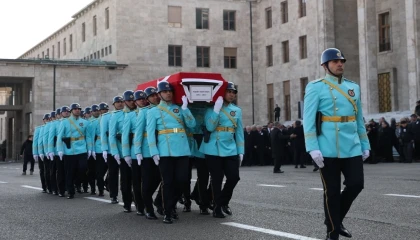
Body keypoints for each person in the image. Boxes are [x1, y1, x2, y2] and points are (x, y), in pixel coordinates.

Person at [303, 48, 370, 240]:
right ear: (325, 66)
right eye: (334, 62)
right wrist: (312, 147)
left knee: (356, 184)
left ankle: (335, 219)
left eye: (341, 61)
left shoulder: (353, 87)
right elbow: (308, 120)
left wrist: (365, 143)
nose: (340, 64)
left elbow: (358, 119)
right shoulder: (316, 87)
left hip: (352, 145)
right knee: (331, 191)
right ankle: (332, 231)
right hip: (327, 147)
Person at [147, 81, 196, 224]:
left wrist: (186, 108)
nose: (168, 93)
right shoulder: (153, 111)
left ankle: (167, 204)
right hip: (165, 150)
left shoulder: (179, 108)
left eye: (170, 91)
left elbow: (192, 125)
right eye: (165, 91)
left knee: (182, 181)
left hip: (182, 148)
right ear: (159, 94)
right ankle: (168, 211)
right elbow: (150, 133)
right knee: (168, 182)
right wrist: (153, 151)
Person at [200, 82, 244, 219]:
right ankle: (217, 208)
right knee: (217, 179)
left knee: (234, 177)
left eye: (234, 92)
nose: (231, 94)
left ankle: (222, 202)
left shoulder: (237, 110)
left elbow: (239, 132)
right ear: (222, 93)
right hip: (213, 148)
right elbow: (210, 127)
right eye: (229, 92)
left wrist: (241, 150)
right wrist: (216, 111)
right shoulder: (210, 109)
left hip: (230, 148)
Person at [136, 87, 162, 219]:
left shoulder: (163, 109)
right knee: (146, 181)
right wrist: (137, 151)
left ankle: (156, 200)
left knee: (159, 178)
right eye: (152, 96)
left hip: (162, 150)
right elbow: (139, 133)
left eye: (156, 95)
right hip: (147, 152)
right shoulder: (144, 112)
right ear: (147, 99)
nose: (155, 98)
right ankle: (148, 208)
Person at [57, 103, 92, 199]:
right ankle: (70, 191)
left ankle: (77, 183)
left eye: (79, 109)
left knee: (83, 168)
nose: (77, 110)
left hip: (82, 149)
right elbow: (60, 136)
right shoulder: (64, 122)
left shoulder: (85, 122)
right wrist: (60, 149)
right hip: (69, 150)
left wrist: (90, 149)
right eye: (75, 109)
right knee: (70, 172)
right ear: (71, 111)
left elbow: (88, 137)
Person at [110, 91, 136, 213]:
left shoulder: (139, 113)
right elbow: (112, 135)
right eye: (129, 100)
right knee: (126, 179)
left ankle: (138, 199)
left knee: (138, 179)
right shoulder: (116, 116)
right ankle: (127, 202)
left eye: (133, 100)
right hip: (123, 152)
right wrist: (114, 152)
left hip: (137, 151)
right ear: (125, 102)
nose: (132, 102)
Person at [122, 90, 147, 215]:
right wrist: (126, 154)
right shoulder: (130, 116)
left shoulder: (151, 112)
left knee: (148, 180)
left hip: (149, 151)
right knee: (136, 181)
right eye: (139, 99)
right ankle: (140, 206)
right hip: (134, 152)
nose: (142, 101)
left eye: (144, 98)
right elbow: (125, 136)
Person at [101, 97, 124, 204]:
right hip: (111, 150)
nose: (120, 104)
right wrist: (105, 149)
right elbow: (104, 134)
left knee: (125, 175)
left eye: (121, 102)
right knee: (113, 173)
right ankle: (113, 195)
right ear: (113, 104)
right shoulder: (107, 117)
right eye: (117, 102)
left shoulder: (127, 114)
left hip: (125, 150)